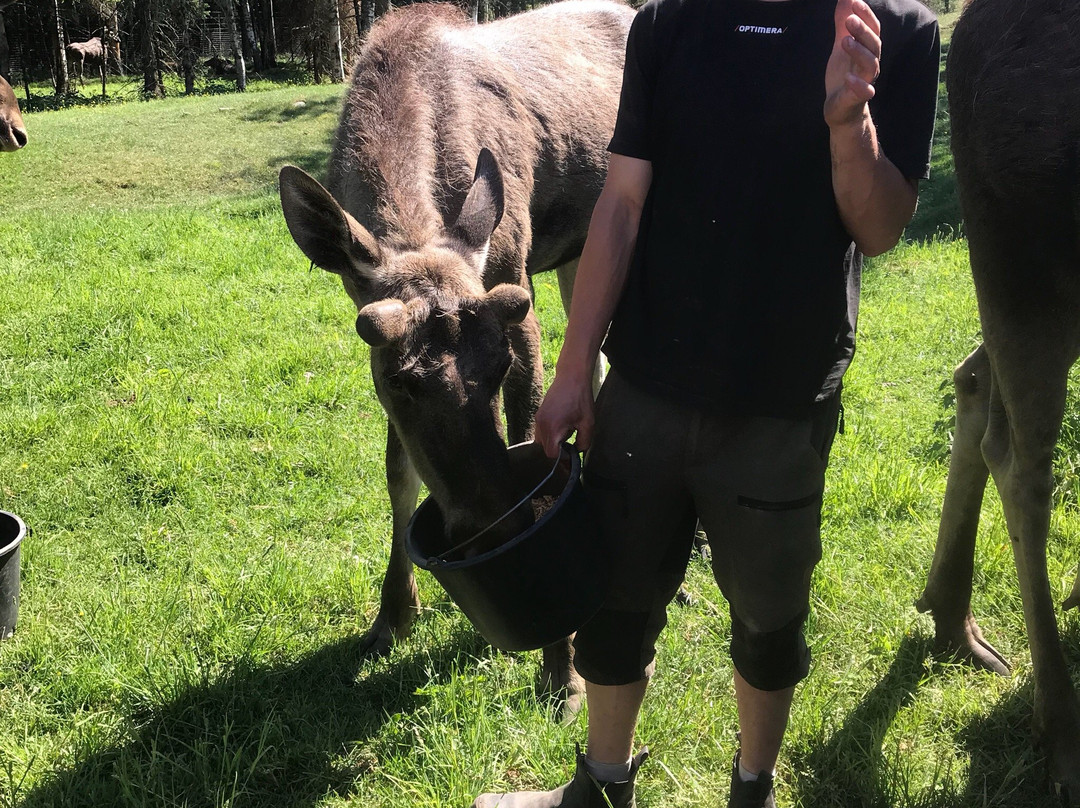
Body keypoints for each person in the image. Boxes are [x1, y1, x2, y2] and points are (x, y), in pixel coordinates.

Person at [474, 0, 940, 805]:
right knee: (615, 603)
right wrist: (575, 366)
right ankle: (601, 786)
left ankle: (751, 790)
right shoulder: (668, 23)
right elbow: (620, 204)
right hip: (645, 385)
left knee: (768, 618)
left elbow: (882, 225)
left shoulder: (895, 29)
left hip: (780, 404)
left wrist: (846, 123)